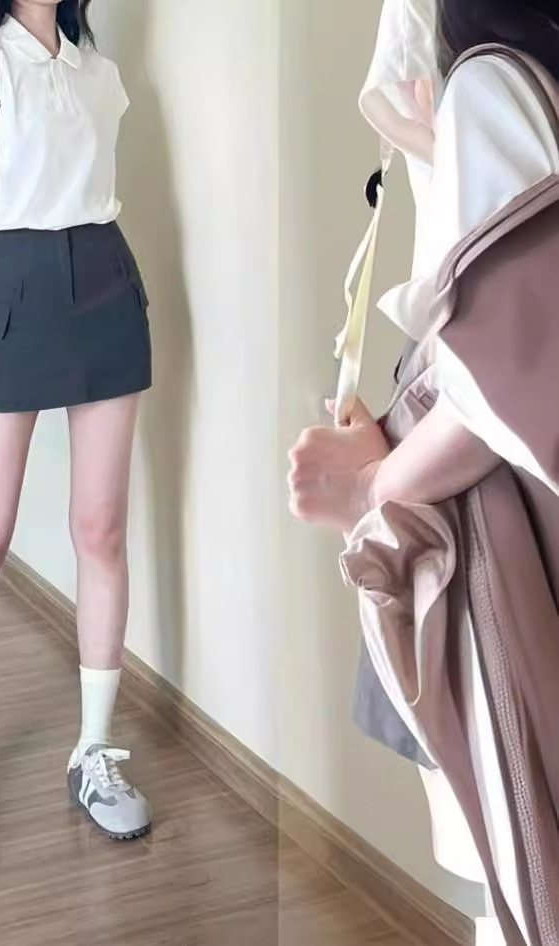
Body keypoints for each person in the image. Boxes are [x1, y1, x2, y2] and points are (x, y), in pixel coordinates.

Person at [289, 0, 559, 940]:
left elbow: (506, 381)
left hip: (494, 517)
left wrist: (376, 485)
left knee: (513, 868)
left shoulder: (492, 82)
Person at [0, 0, 153, 891]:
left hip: (106, 285)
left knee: (101, 529)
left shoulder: (94, 64)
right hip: (12, 287)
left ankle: (95, 752)